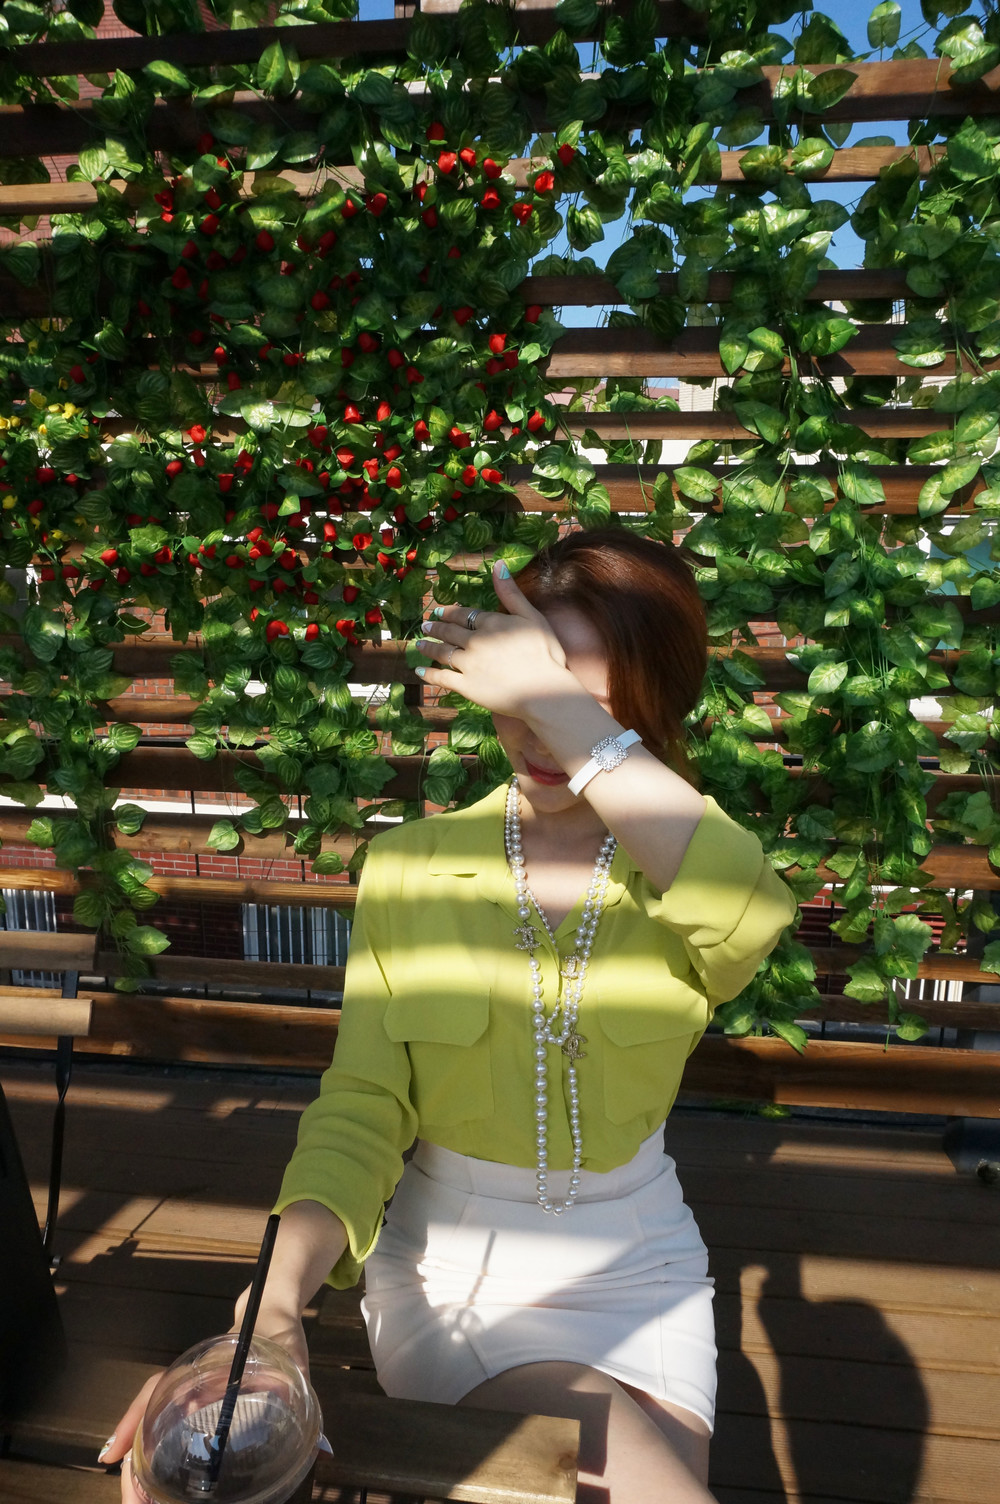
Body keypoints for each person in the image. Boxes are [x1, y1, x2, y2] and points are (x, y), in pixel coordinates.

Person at [104, 529, 798, 1503]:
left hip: (646, 1268)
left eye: (577, 706)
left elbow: (752, 915)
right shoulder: (413, 867)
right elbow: (362, 1110)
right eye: (520, 697)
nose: (539, 734)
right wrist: (270, 1309)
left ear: (657, 708)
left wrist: (556, 703)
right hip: (456, 1281)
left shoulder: (688, 861)